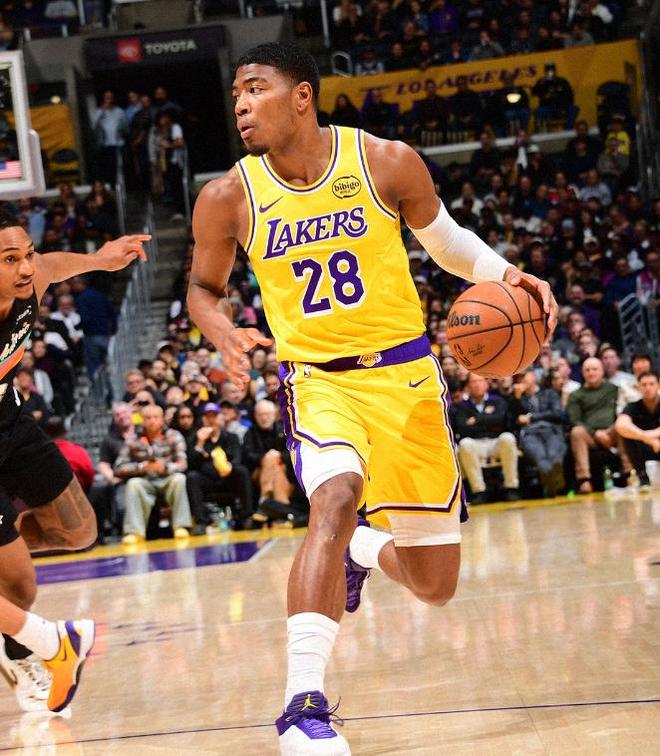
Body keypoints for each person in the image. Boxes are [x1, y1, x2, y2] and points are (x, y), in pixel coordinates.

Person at [187, 42, 557, 755]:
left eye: (255, 88)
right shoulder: (227, 196)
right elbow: (204, 289)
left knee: (435, 585)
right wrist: (222, 329)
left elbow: (445, 242)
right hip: (318, 379)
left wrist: (505, 273)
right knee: (333, 498)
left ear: (302, 96)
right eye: (236, 94)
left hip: (407, 380)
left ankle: (362, 547)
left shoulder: (384, 161)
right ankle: (302, 705)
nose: (240, 105)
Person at [0, 208, 149, 713]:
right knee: (19, 586)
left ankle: (32, 626)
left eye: (26, 254)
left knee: (77, 531)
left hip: (10, 423)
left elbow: (52, 264)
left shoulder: (30, 279)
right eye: (10, 260)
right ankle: (35, 648)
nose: (26, 267)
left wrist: (101, 260)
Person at [115, 404, 192, 544]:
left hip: (168, 478)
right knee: (133, 484)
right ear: (142, 420)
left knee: (179, 479)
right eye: (148, 418)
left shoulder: (174, 435)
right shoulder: (133, 439)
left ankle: (181, 526)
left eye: (156, 417)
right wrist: (141, 467)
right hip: (146, 480)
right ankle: (135, 532)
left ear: (162, 420)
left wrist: (165, 467)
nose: (152, 421)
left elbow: (183, 463)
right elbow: (119, 467)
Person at [450, 372, 521, 504]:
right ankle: (479, 491)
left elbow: (501, 421)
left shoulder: (498, 400)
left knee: (508, 438)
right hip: (476, 444)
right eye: (474, 382)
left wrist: (477, 419)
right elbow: (462, 428)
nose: (477, 384)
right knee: (465, 444)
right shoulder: (462, 406)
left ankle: (511, 487)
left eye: (480, 381)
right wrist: (489, 420)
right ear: (468, 387)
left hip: (495, 443)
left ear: (487, 383)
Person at [186, 402, 252, 533]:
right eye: (208, 416)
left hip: (227, 478)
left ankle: (247, 516)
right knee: (192, 477)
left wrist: (227, 467)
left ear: (221, 418)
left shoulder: (231, 438)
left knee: (242, 471)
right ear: (203, 419)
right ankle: (200, 522)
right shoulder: (195, 439)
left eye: (214, 416)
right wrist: (200, 443)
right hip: (208, 480)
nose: (211, 420)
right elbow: (192, 464)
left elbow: (237, 459)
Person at [510, 369, 566, 497]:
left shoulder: (549, 393)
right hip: (530, 433)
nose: (522, 380)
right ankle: (554, 484)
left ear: (534, 376)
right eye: (519, 378)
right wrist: (517, 398)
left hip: (551, 430)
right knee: (540, 457)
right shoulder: (517, 398)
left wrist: (531, 417)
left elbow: (558, 414)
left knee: (554, 455)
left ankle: (551, 483)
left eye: (525, 376)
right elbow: (513, 420)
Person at [567, 357, 619, 493]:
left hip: (613, 432)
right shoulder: (576, 395)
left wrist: (610, 431)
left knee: (623, 425)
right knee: (576, 431)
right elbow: (574, 420)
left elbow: (623, 410)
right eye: (587, 370)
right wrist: (595, 433)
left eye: (595, 369)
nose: (591, 373)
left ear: (602, 371)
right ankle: (584, 480)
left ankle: (630, 473)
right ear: (583, 373)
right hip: (591, 437)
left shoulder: (614, 389)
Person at [614, 371, 659, 488]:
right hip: (645, 449)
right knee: (626, 435)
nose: (648, 388)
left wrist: (653, 435)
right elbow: (620, 425)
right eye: (644, 385)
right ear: (638, 387)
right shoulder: (633, 406)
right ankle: (642, 476)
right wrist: (647, 438)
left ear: (658, 386)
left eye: (651, 384)